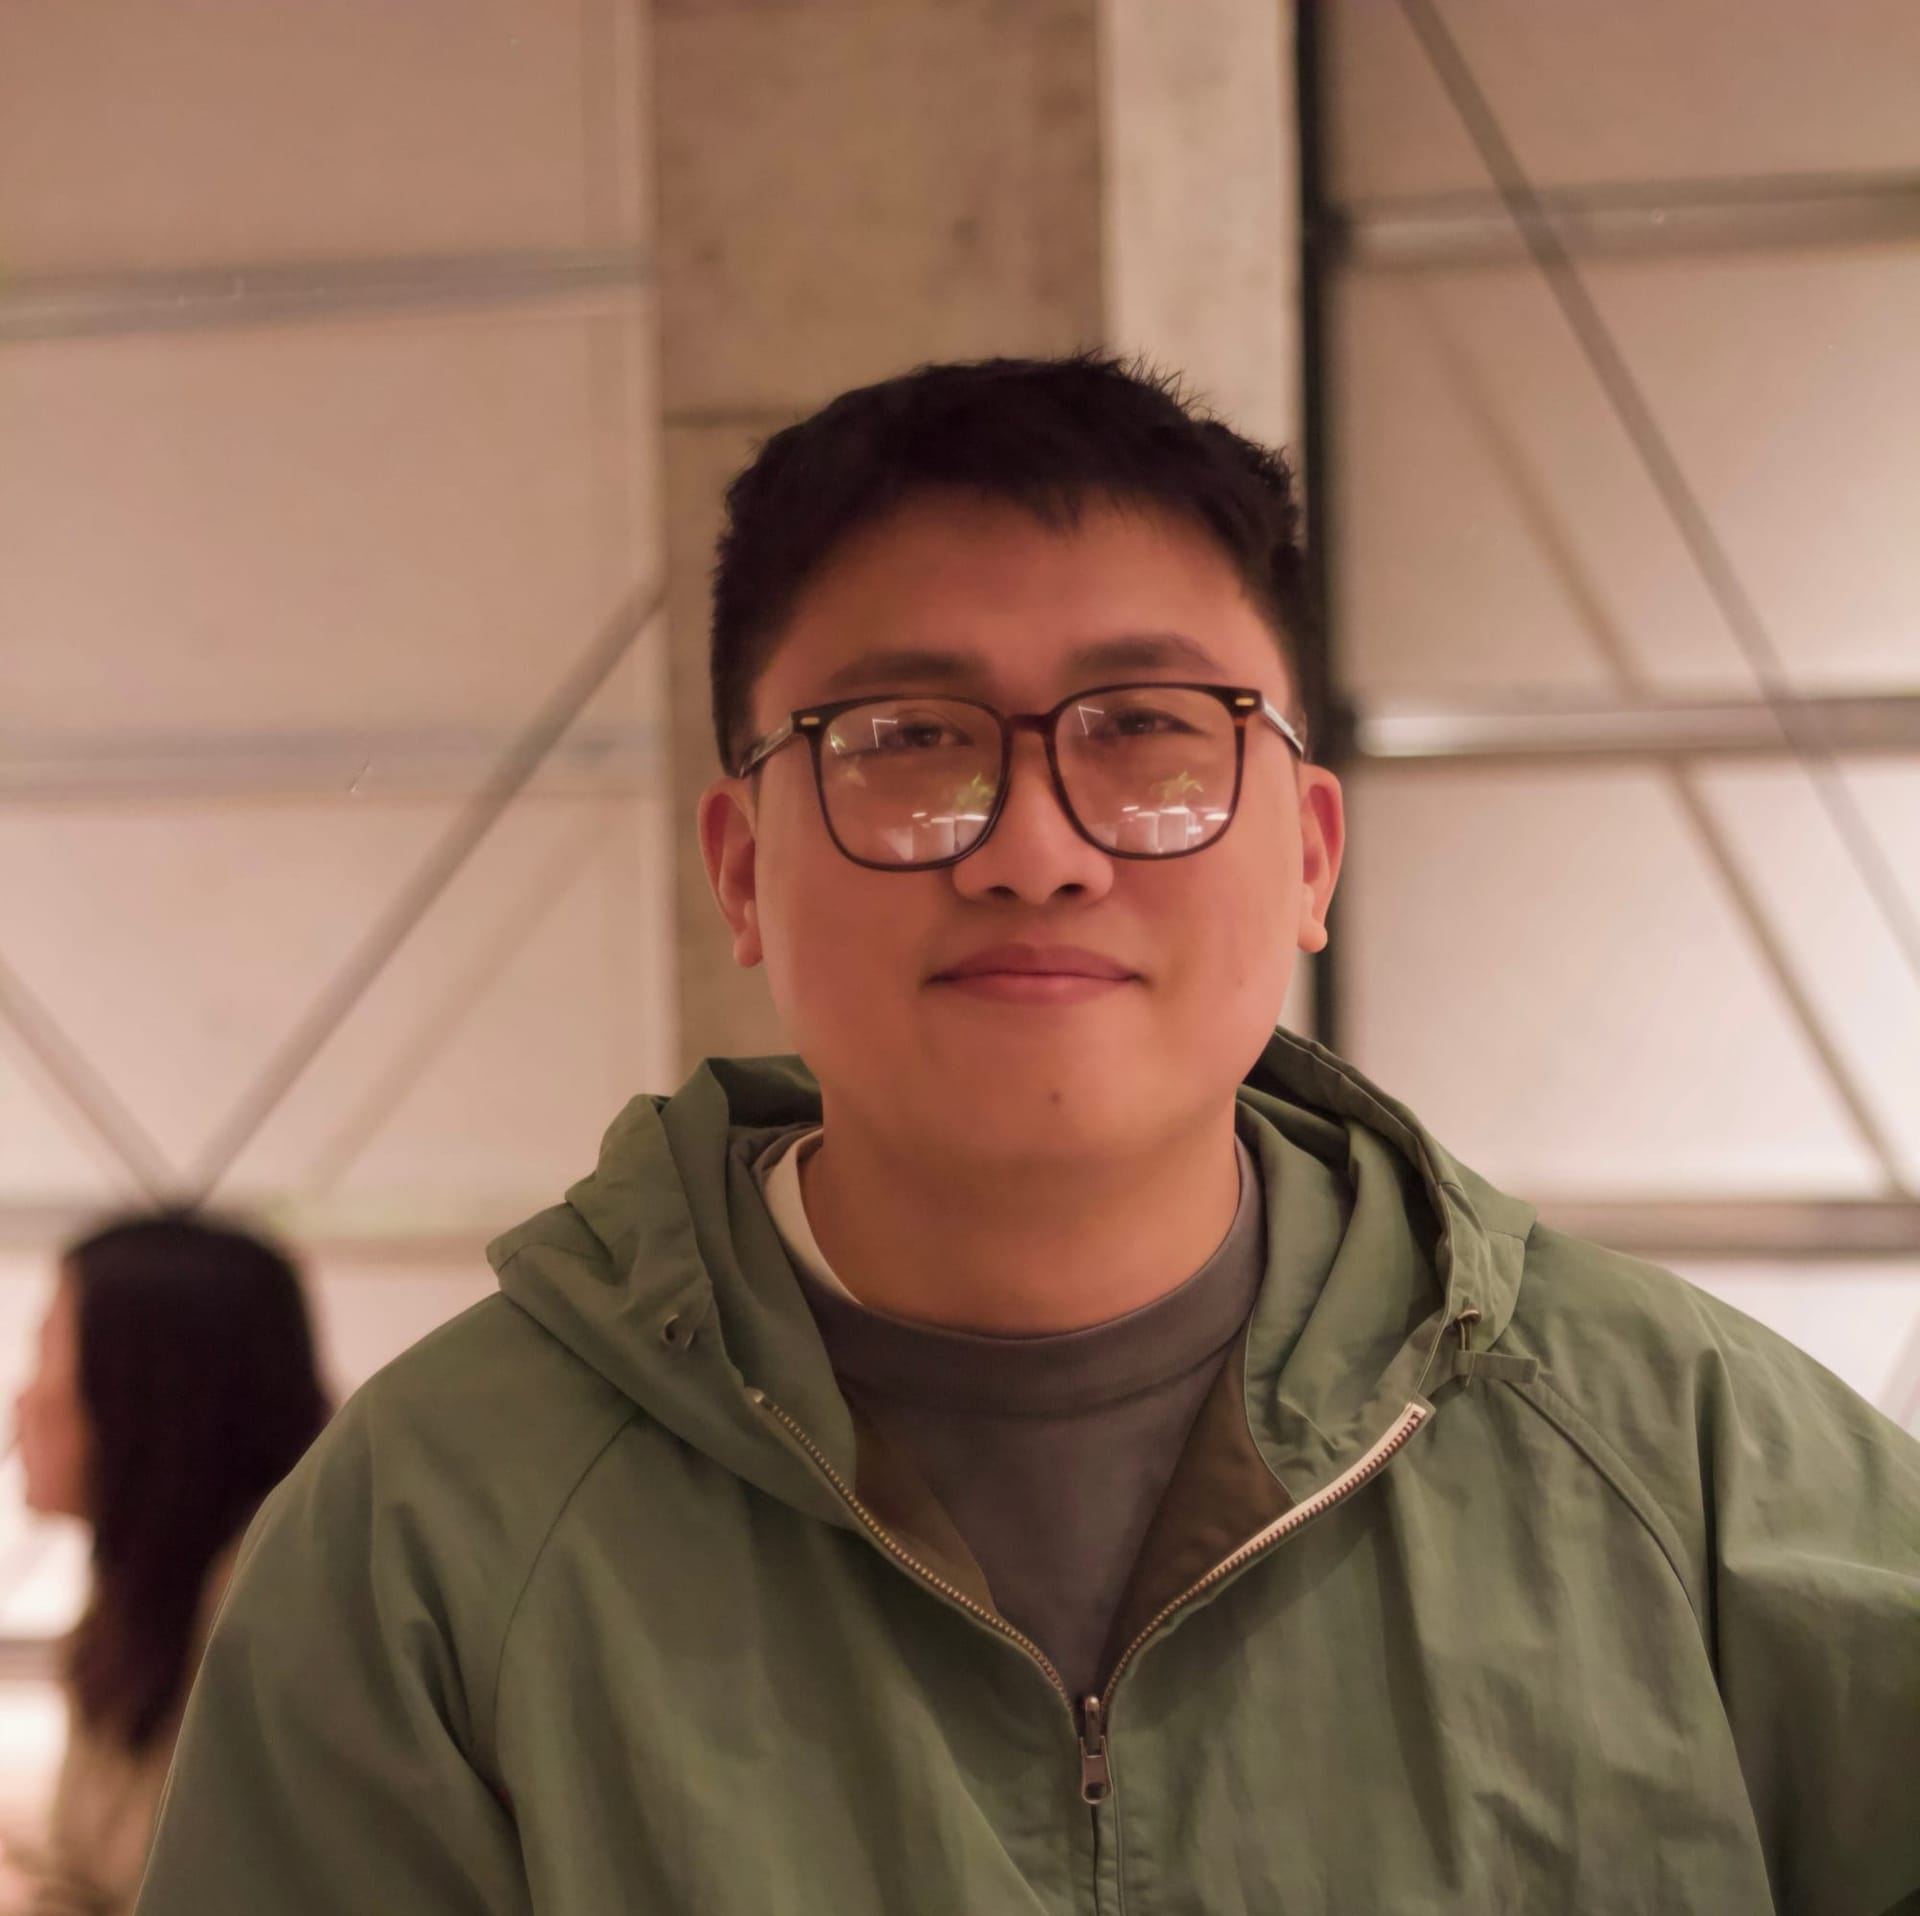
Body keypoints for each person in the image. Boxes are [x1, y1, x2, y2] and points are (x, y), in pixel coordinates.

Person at [137, 356, 1917, 1914]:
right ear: (744, 870)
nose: (1036, 847)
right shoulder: (436, 1531)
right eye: (909, 740)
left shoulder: (1692, 1469)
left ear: (1306, 849)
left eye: (1147, 730)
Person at [8, 1212, 327, 1916]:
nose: (21, 1401)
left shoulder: (276, 1608)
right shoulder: (137, 1597)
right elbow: (81, 1878)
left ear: (145, 1392)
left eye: (46, 1355)